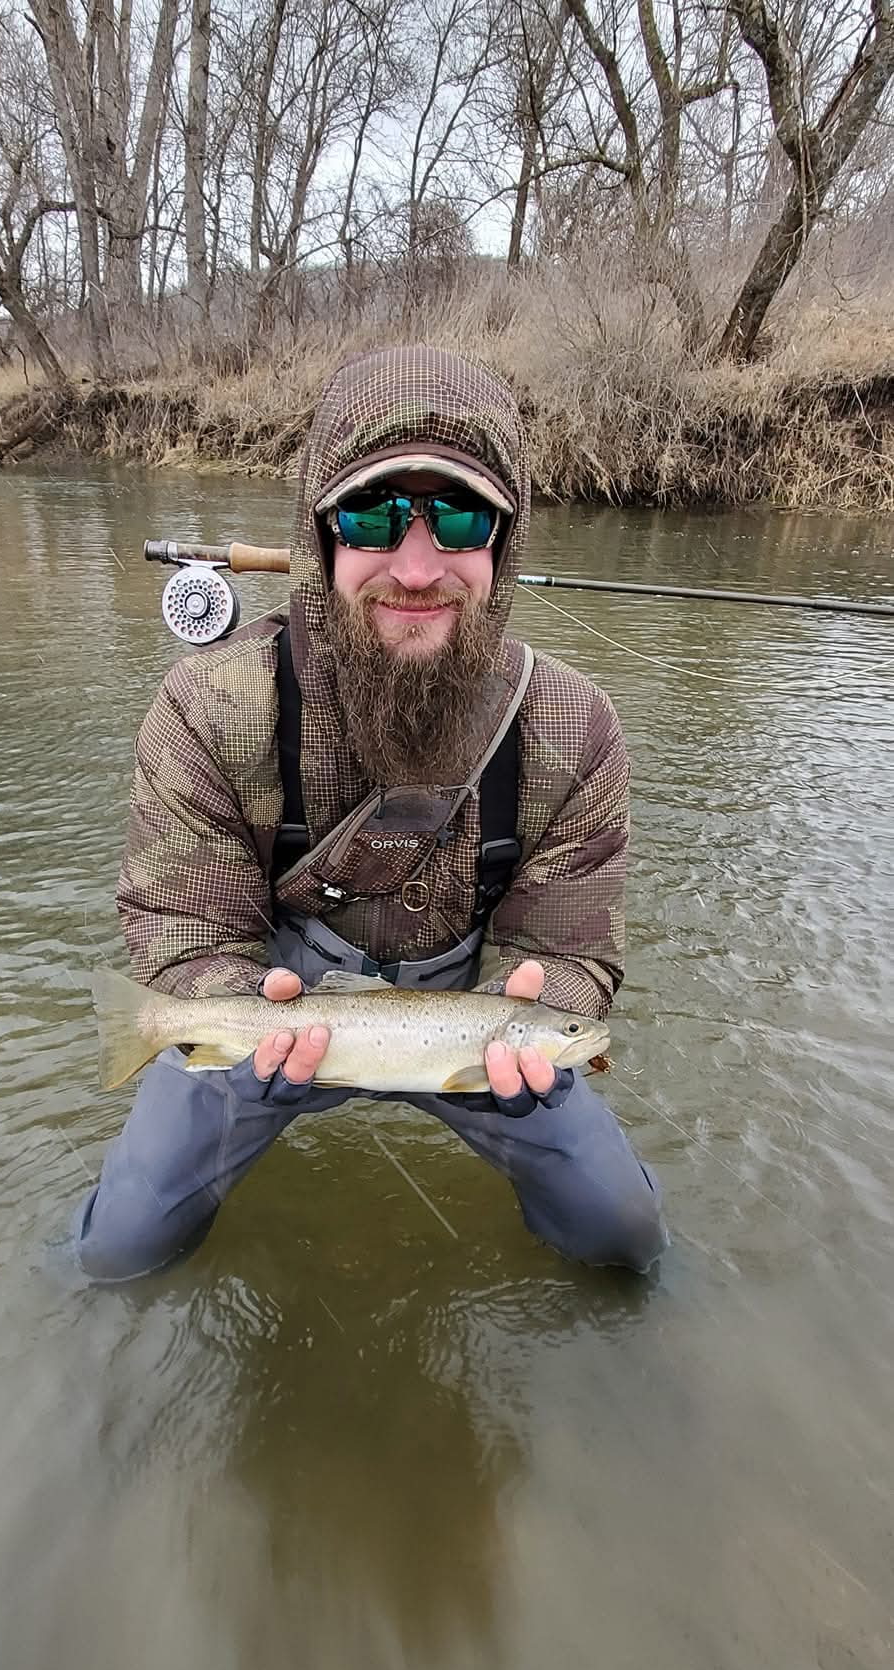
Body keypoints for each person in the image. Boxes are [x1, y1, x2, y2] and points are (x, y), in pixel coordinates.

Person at [73, 345, 666, 1281]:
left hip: (480, 1036)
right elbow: (184, 928)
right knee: (118, 1253)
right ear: (323, 538)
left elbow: (574, 950)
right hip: (278, 1024)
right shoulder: (209, 706)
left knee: (626, 1240)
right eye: (375, 515)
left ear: (502, 546)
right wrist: (232, 1001)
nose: (419, 566)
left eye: (462, 517)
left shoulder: (575, 727)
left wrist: (548, 1006)